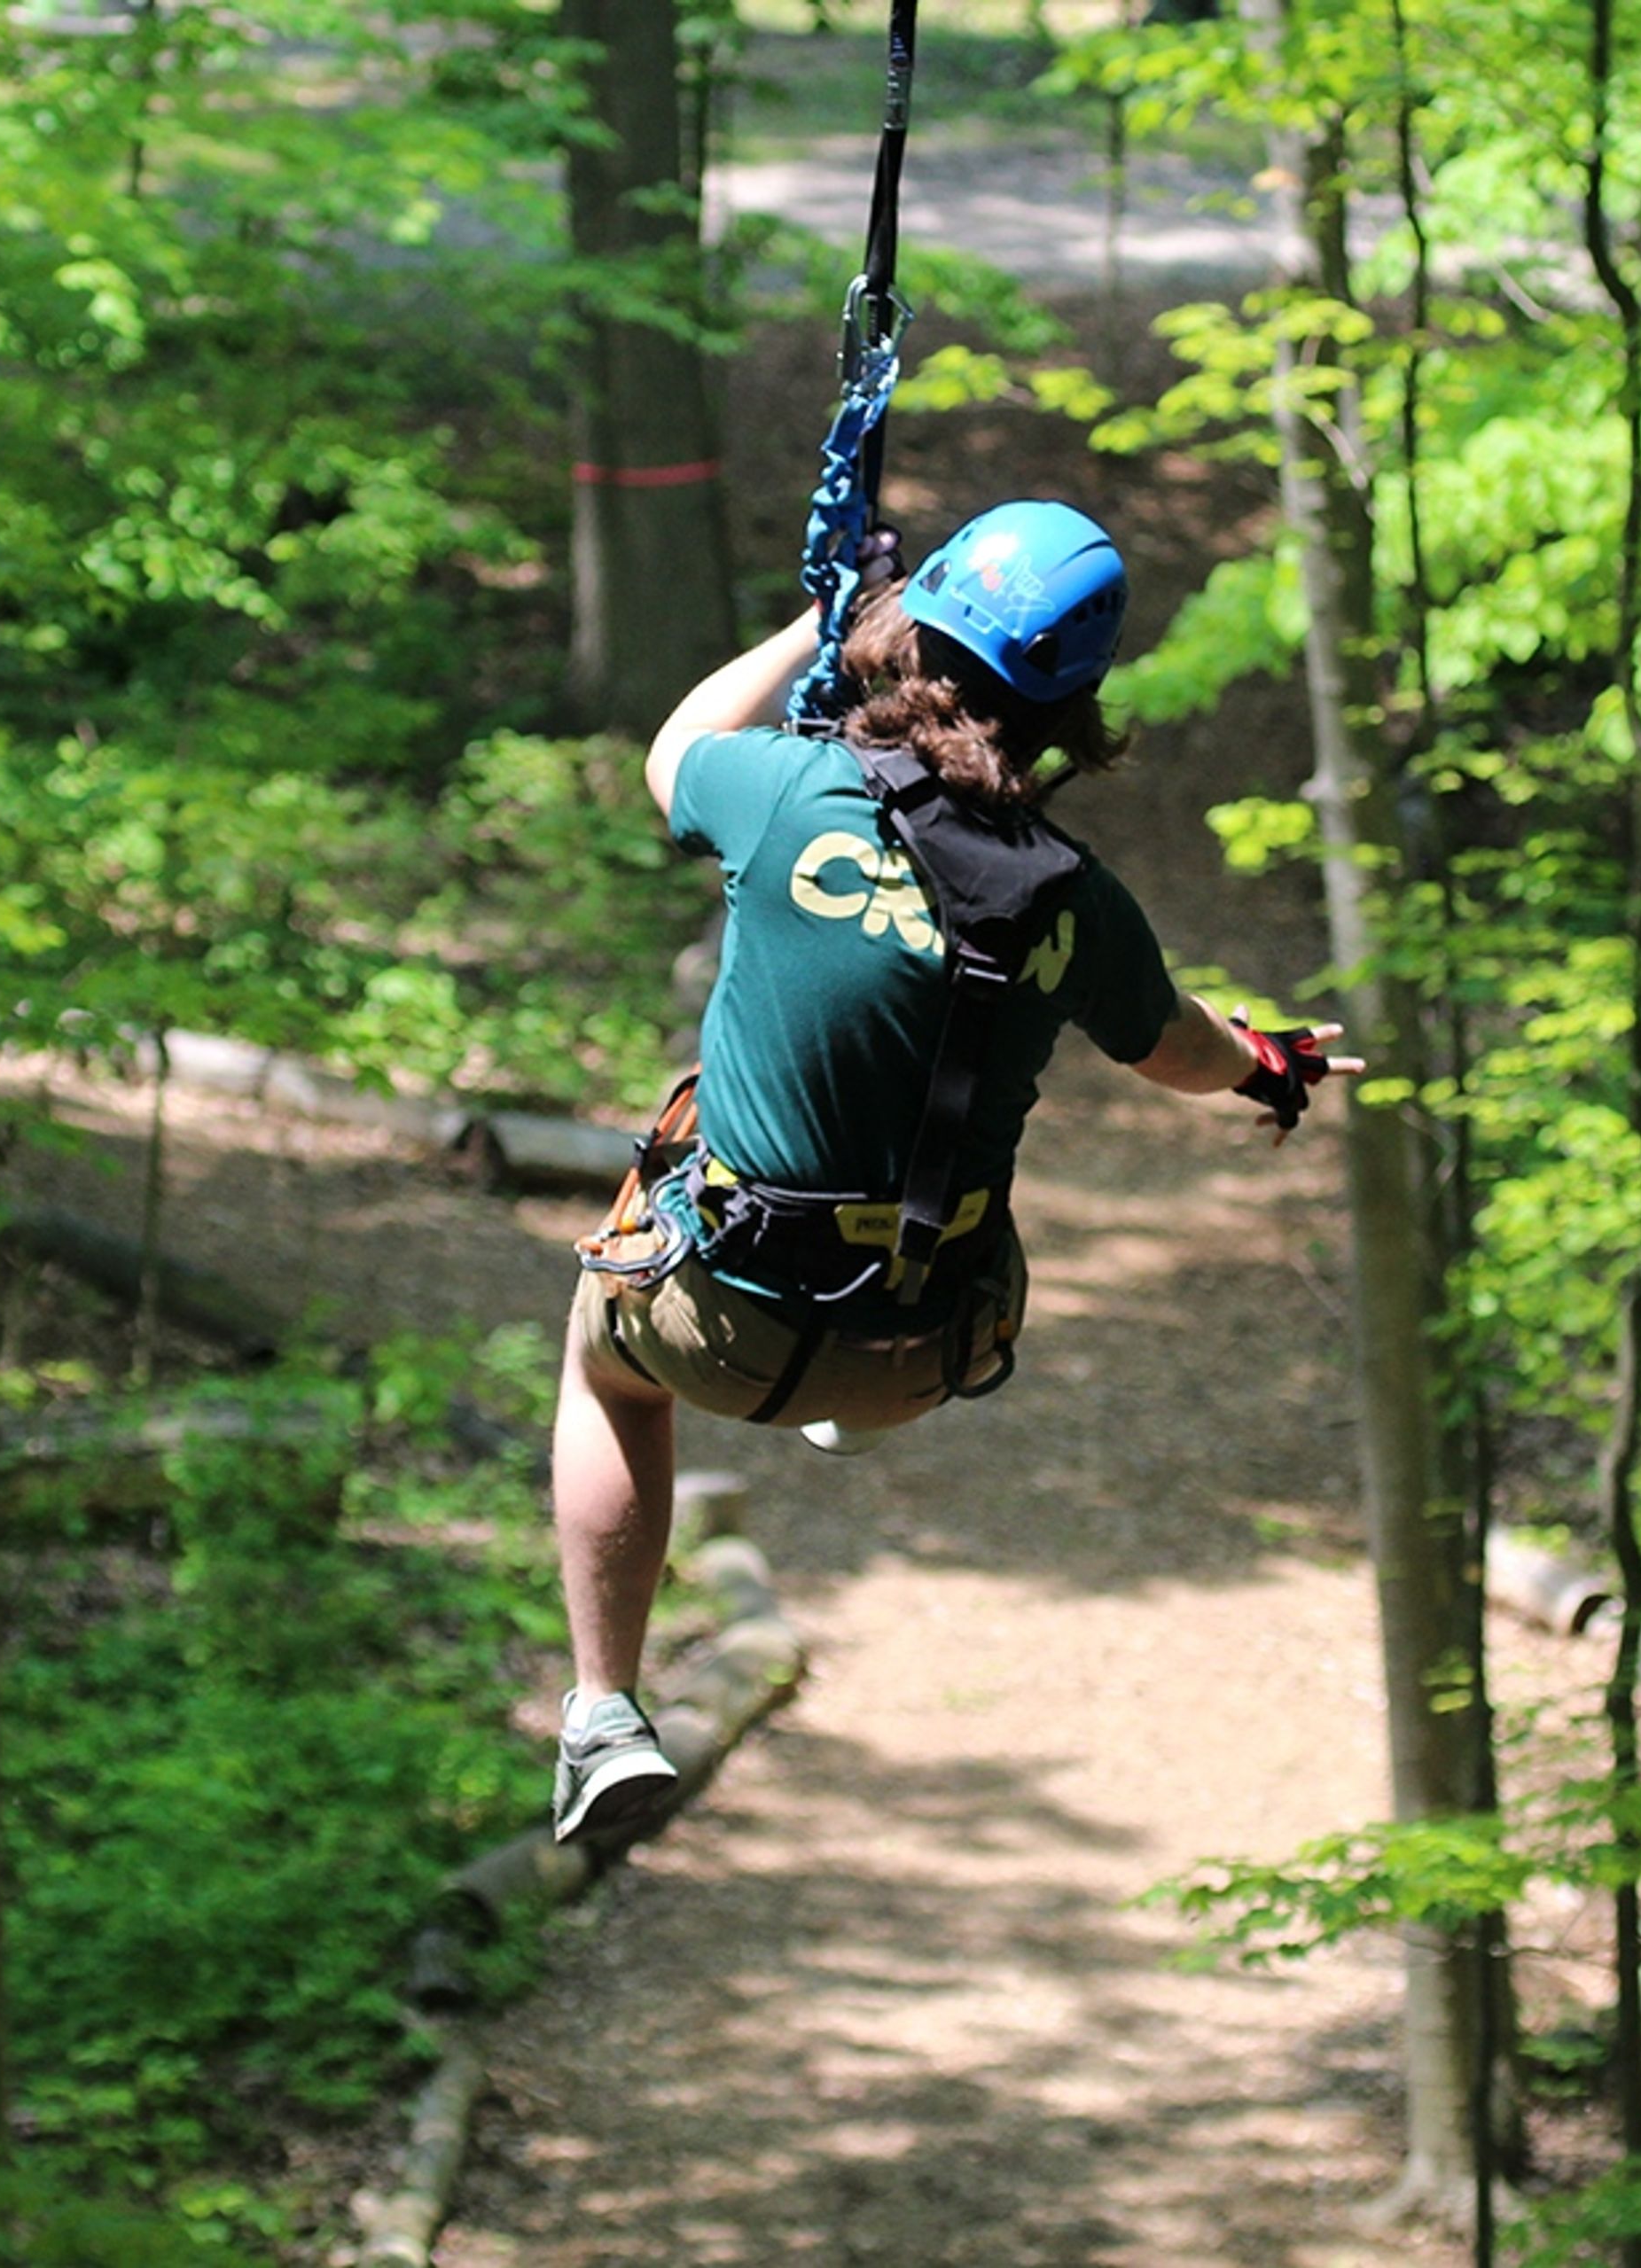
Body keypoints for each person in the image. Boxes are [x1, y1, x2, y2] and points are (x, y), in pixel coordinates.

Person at [548, 499, 1356, 1844]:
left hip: (725, 1323)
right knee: (954, 1162)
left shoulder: (786, 791)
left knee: (602, 1359)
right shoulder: (1073, 904)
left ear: (911, 632)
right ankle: (845, 1389)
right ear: (1074, 706)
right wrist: (1274, 1064)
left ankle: (602, 1714)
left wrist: (812, 619)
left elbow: (674, 751)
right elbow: (1185, 1051)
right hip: (930, 1341)